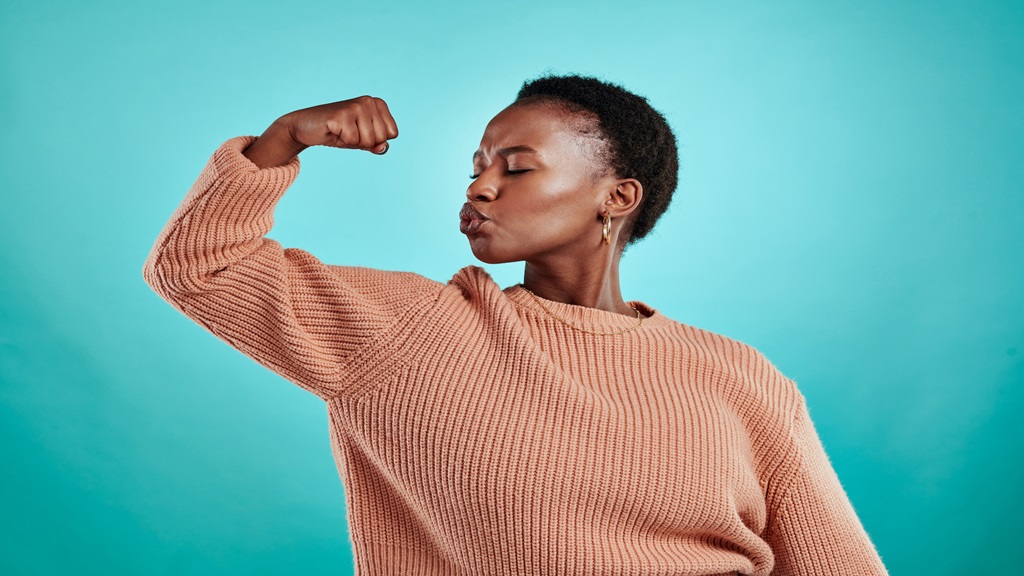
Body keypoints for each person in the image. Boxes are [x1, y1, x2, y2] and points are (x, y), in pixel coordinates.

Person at [143, 74, 889, 576]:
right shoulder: (414, 331)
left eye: (517, 167)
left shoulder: (740, 377)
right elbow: (200, 266)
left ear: (616, 196)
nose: (479, 185)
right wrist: (281, 143)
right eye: (475, 165)